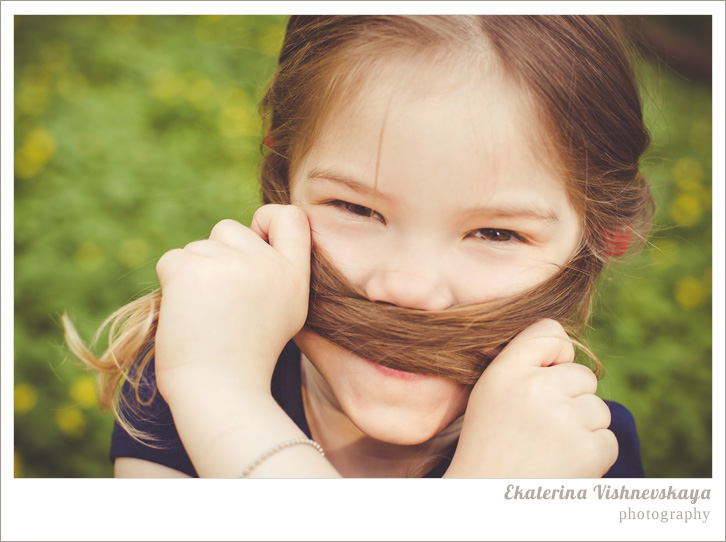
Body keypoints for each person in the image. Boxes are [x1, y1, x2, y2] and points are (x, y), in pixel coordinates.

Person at [65, 15, 653, 478]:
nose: (409, 287)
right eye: (355, 208)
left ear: (597, 240)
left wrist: (217, 392)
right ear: (281, 181)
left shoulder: (581, 454)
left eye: (498, 233)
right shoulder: (186, 372)